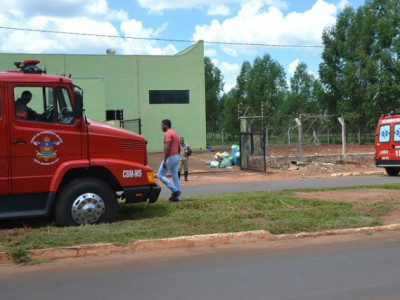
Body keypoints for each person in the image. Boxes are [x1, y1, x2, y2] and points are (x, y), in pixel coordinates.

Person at [157, 119, 181, 202]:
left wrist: (164, 160)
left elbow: (168, 147)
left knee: (160, 175)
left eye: (162, 125)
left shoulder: (168, 134)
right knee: (175, 178)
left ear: (166, 125)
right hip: (176, 156)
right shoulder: (175, 133)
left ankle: (175, 191)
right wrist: (178, 155)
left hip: (170, 157)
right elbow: (179, 147)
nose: (161, 127)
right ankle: (177, 197)